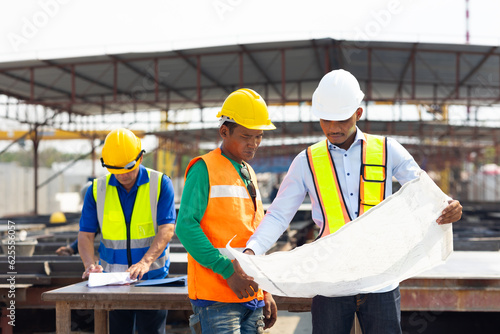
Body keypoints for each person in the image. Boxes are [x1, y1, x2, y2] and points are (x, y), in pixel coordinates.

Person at [243, 70, 463, 334]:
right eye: (326, 120)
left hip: (380, 278)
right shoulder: (306, 162)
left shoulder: (387, 150)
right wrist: (252, 251)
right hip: (329, 279)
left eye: (342, 120)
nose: (333, 128)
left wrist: (448, 205)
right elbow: (279, 214)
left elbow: (423, 189)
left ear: (358, 114)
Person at [175, 88, 278, 333]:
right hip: (217, 298)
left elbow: (255, 233)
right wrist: (227, 271)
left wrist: (265, 290)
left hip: (250, 295)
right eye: (246, 136)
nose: (253, 143)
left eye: (258, 136)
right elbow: (186, 226)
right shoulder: (204, 168)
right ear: (224, 131)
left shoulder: (249, 173)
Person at [78, 128, 176, 334]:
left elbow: (167, 229)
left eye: (128, 168)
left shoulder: (160, 184)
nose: (123, 174)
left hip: (153, 280)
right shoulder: (96, 190)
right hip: (113, 282)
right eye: (116, 169)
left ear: (140, 157)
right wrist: (89, 265)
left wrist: (145, 262)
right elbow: (86, 234)